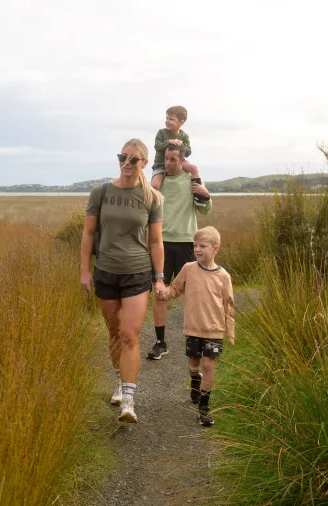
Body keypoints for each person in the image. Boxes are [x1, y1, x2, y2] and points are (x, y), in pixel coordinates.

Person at [80, 138, 165, 423]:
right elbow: (88, 234)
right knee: (115, 333)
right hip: (106, 270)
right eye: (122, 157)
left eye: (133, 159)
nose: (126, 164)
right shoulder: (100, 192)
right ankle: (119, 380)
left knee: (130, 334)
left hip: (137, 273)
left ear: (143, 163)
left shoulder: (152, 197)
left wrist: (160, 277)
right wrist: (85, 270)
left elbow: (155, 241)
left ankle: (128, 400)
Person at [156, 226, 235, 427]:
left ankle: (204, 408)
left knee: (208, 364)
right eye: (195, 246)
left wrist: (230, 332)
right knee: (193, 366)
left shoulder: (223, 276)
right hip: (193, 327)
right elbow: (175, 289)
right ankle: (195, 380)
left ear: (215, 249)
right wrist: (164, 293)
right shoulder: (188, 269)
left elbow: (229, 304)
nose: (198, 250)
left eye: (203, 246)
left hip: (214, 329)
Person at [147, 144, 212, 360]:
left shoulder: (192, 178)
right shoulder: (159, 181)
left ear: (182, 160)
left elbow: (204, 209)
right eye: (166, 158)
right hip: (161, 243)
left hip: (186, 242)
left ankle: (195, 340)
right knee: (159, 293)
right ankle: (160, 342)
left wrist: (206, 194)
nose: (168, 163)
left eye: (173, 159)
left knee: (194, 294)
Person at [149, 105, 209, 207]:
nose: (167, 121)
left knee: (194, 168)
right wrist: (168, 142)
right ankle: (152, 206)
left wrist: (183, 145)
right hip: (160, 165)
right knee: (155, 185)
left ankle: (198, 196)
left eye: (171, 119)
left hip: (179, 162)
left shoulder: (184, 136)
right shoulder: (162, 133)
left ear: (181, 122)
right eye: (166, 118)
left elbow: (189, 152)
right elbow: (157, 147)